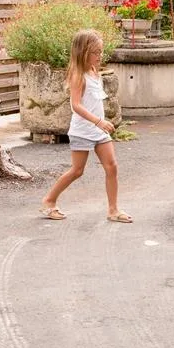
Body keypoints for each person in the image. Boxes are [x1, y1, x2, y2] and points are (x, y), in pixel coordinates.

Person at [40, 29, 133, 223]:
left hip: (99, 131)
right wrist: (98, 121)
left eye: (101, 51)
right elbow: (76, 105)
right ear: (83, 52)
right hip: (83, 130)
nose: (100, 56)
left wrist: (102, 122)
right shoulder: (78, 75)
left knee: (112, 167)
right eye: (96, 52)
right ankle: (49, 201)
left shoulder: (94, 72)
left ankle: (113, 210)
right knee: (77, 171)